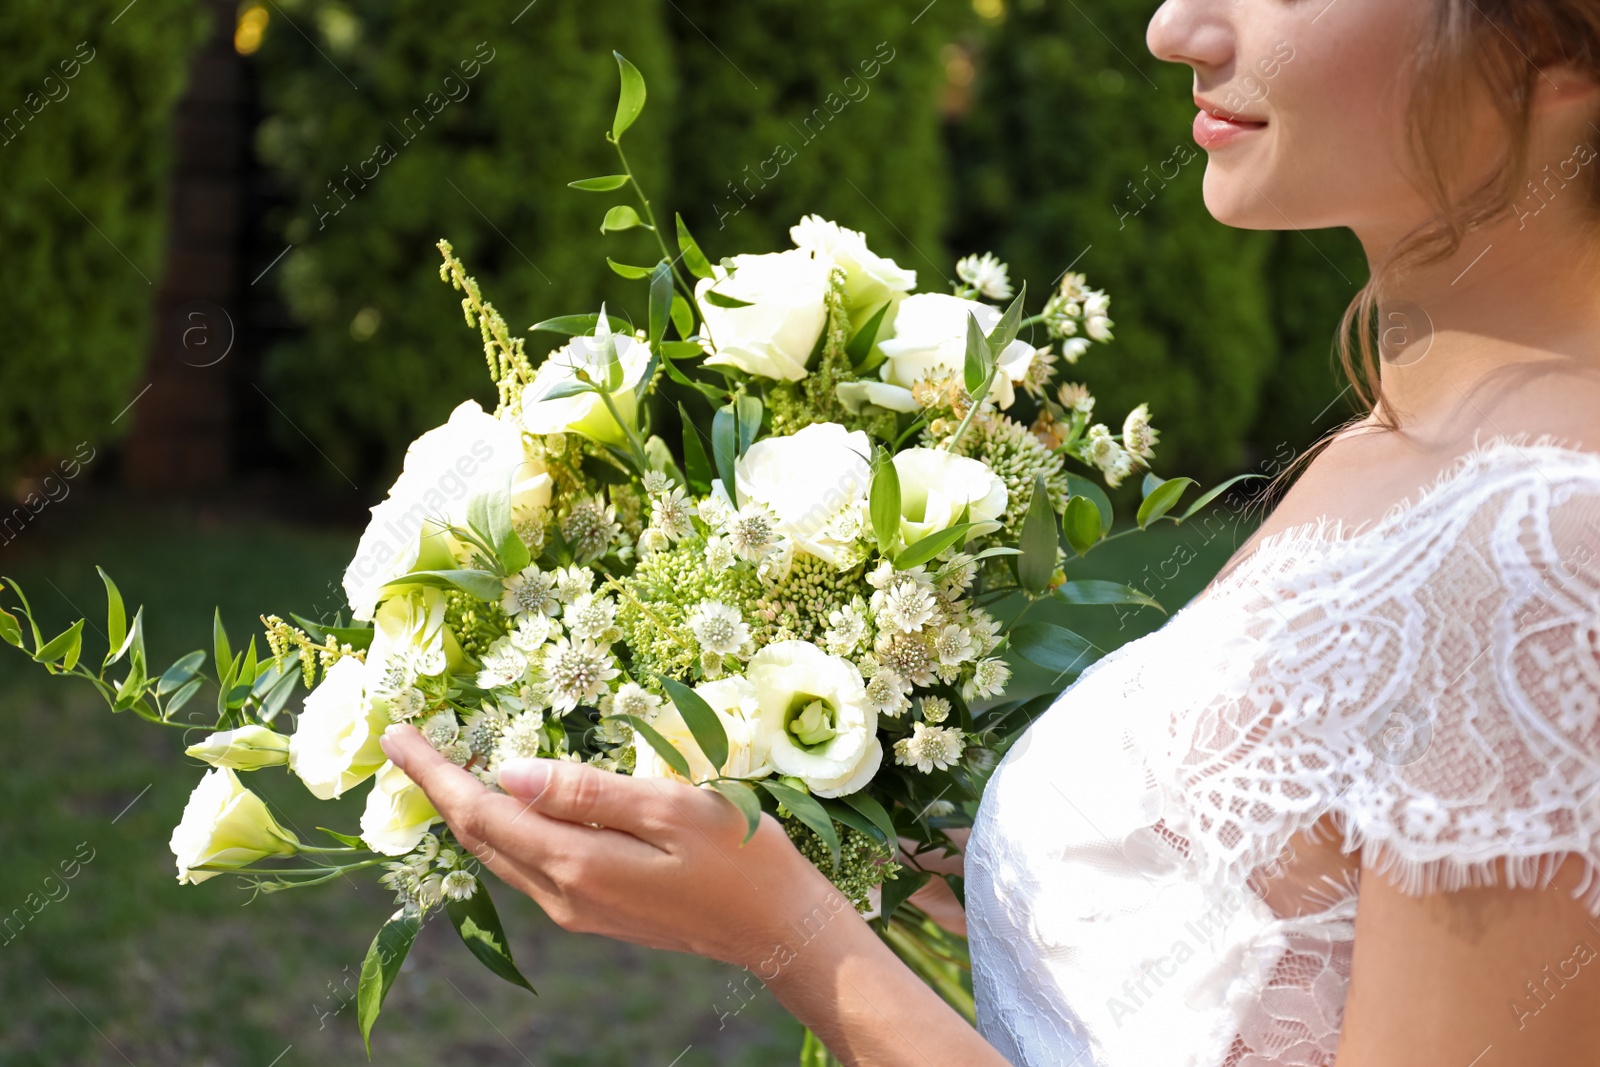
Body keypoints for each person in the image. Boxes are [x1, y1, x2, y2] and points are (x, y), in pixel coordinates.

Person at [380, 0, 1600, 1062]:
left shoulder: (1542, 550)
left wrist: (795, 941)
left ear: (1561, 47)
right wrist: (829, 789)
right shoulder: (1395, 452)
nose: (1174, 29)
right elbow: (1269, 913)